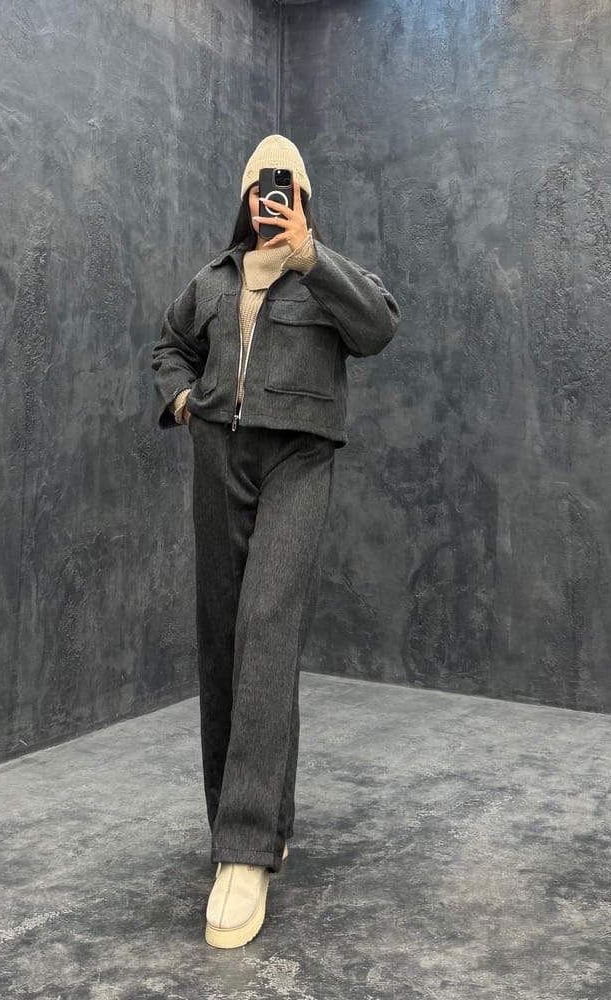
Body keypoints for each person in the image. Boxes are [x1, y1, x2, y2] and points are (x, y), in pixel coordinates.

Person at [151, 135, 400, 949]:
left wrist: (309, 255)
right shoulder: (212, 279)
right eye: (262, 187)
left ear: (302, 196)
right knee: (223, 638)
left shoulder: (326, 273)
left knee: (266, 628)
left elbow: (377, 328)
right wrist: (182, 399)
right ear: (244, 197)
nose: (272, 197)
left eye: (285, 186)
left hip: (298, 458)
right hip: (217, 457)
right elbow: (169, 345)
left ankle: (245, 852)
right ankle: (245, 823)